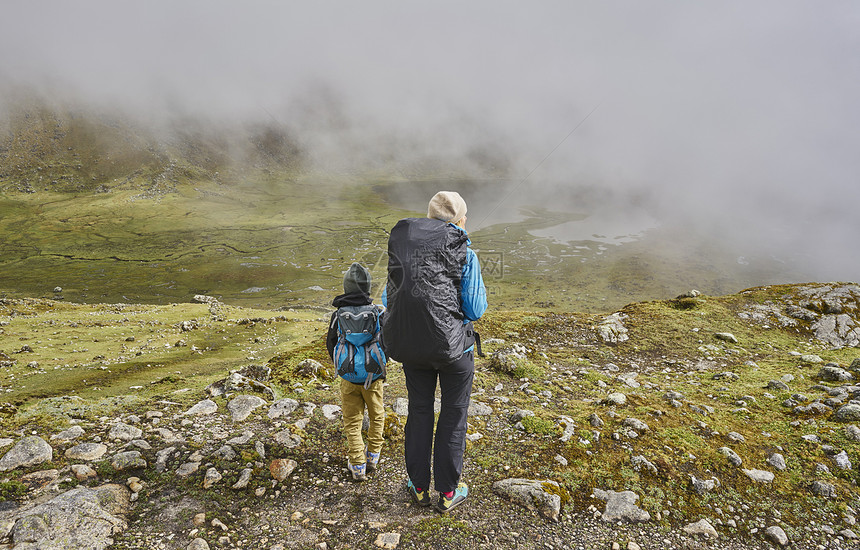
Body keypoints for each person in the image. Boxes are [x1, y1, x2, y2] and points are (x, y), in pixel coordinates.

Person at [382, 191, 487, 512]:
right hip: (455, 351)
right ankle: (448, 492)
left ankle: (417, 488)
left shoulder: (404, 249)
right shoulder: (465, 252)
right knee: (454, 416)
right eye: (464, 218)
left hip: (413, 348)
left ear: (429, 218)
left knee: (419, 411)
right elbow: (475, 308)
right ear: (459, 221)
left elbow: (390, 303)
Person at [326, 262, 386, 482]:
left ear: (346, 288)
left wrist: (344, 364)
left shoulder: (338, 315)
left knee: (352, 420)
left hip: (348, 376)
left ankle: (358, 465)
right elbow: (387, 343)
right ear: (367, 288)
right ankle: (373, 456)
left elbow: (330, 344)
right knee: (377, 415)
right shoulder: (378, 312)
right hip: (374, 377)